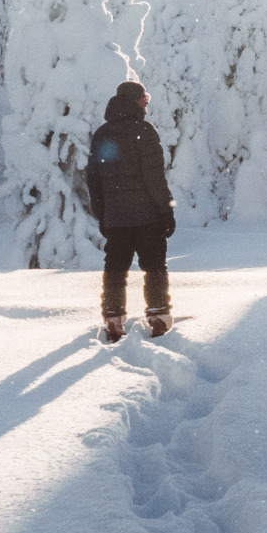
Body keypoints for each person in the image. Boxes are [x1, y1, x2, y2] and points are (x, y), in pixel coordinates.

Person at [86, 80, 175, 341]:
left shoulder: (103, 134)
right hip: (148, 217)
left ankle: (113, 320)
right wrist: (166, 211)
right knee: (155, 267)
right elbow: (155, 178)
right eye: (144, 98)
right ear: (135, 101)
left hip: (116, 219)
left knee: (115, 269)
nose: (147, 103)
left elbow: (95, 179)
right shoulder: (144, 131)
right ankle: (158, 317)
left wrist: (102, 214)